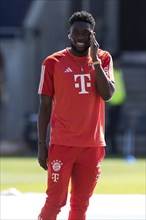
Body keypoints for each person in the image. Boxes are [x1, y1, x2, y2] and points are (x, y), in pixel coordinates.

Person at [37, 11, 115, 220]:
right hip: (62, 144)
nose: (81, 36)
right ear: (69, 34)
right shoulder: (53, 62)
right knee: (54, 202)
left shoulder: (104, 58)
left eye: (86, 33)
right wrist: (42, 145)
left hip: (92, 146)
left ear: (93, 35)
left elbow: (107, 95)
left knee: (80, 206)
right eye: (76, 32)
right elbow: (44, 107)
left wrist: (95, 60)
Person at [106, 53, 126, 155]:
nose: (120, 62)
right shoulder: (111, 71)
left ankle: (111, 147)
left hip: (119, 103)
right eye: (118, 60)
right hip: (113, 104)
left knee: (114, 127)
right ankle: (110, 147)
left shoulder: (118, 71)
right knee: (112, 128)